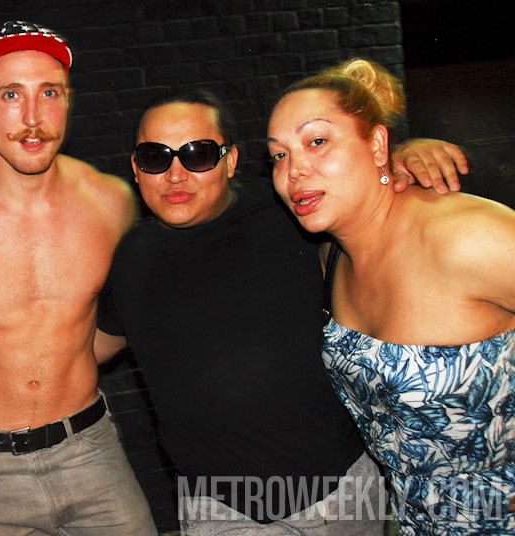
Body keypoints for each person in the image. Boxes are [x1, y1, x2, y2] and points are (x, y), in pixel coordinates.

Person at [94, 85, 469, 535]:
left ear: (230, 160)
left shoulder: (293, 216)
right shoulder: (130, 258)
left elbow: (364, 198)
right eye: (155, 157)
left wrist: (400, 157)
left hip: (342, 495)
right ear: (136, 168)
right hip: (224, 511)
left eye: (198, 154)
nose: (176, 175)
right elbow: (88, 347)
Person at [0, 21, 156, 535]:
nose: (32, 118)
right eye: (10, 95)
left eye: (49, 93)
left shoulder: (113, 202)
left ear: (68, 100)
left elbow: (126, 312)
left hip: (92, 449)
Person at [267, 59, 515, 535]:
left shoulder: (464, 237)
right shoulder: (332, 259)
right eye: (278, 155)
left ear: (378, 145)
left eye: (317, 141)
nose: (294, 170)